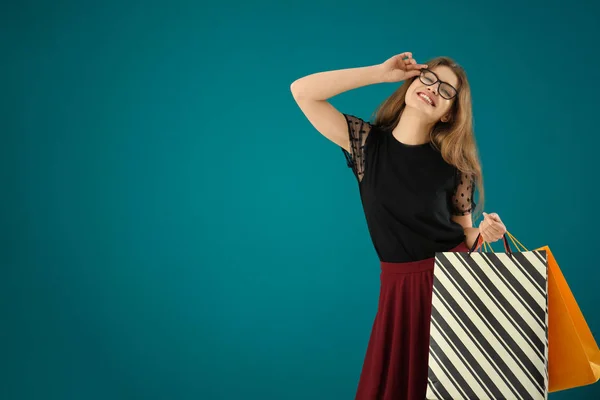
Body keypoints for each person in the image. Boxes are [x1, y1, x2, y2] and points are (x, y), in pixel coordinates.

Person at [290, 52, 508, 399]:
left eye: (446, 91)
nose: (433, 89)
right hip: (398, 290)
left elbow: (465, 235)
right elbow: (302, 91)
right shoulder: (366, 144)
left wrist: (485, 234)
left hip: (449, 290)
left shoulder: (455, 167)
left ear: (449, 112)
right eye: (428, 79)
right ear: (411, 83)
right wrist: (379, 72)